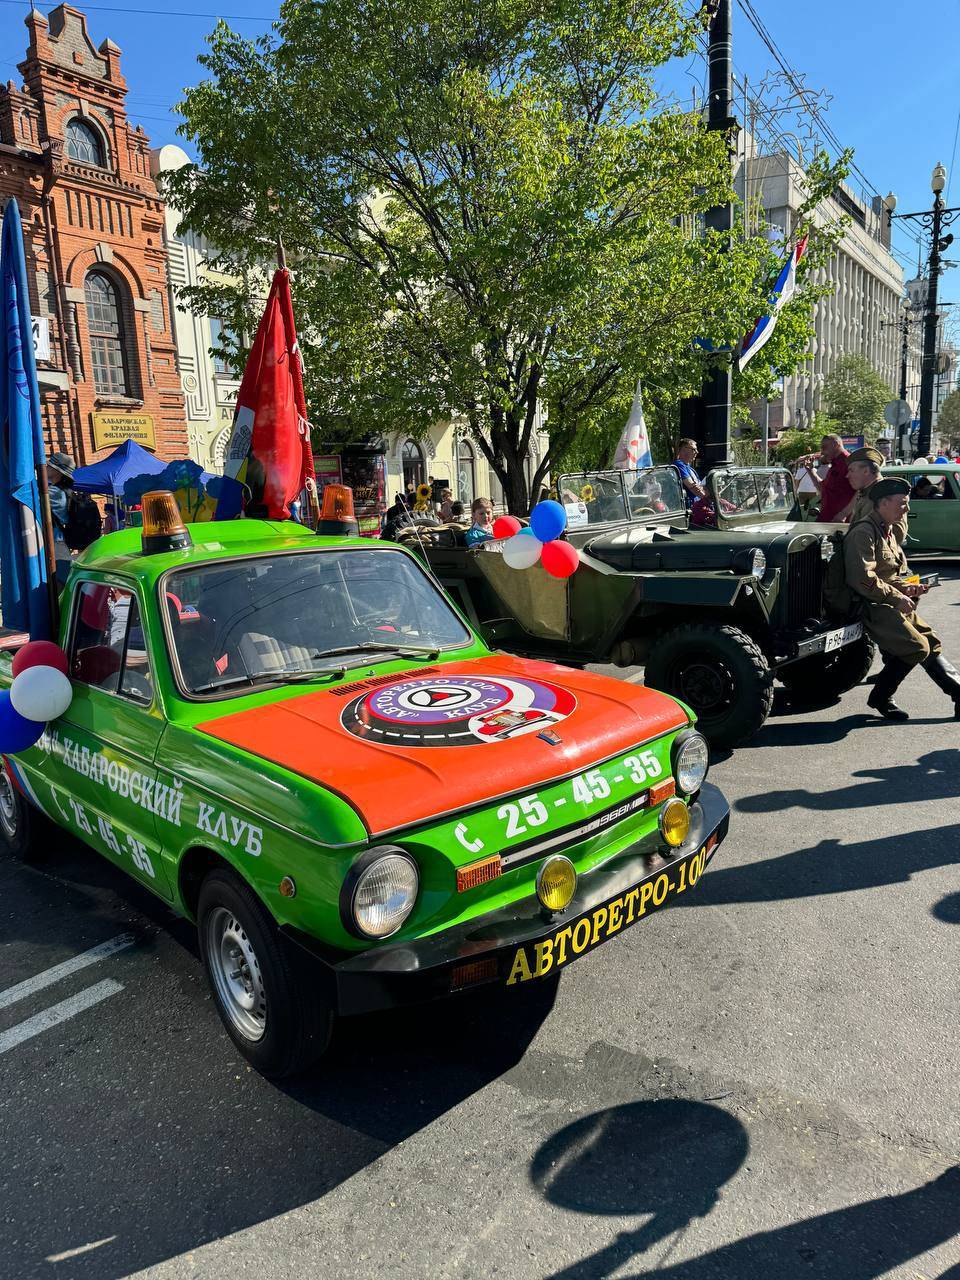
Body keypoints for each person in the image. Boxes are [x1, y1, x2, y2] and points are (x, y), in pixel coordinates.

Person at [844, 477, 960, 720]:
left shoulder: (886, 530)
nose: (907, 509)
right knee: (915, 647)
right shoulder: (864, 532)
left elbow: (889, 573)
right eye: (903, 503)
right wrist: (897, 597)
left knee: (930, 641)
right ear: (883, 503)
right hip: (869, 604)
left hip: (887, 599)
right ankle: (880, 697)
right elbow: (862, 580)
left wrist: (911, 587)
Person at [843, 447, 905, 542]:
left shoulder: (885, 495)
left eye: (851, 470)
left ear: (866, 471)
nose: (847, 475)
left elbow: (897, 535)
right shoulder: (866, 493)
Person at [813, 433, 854, 522]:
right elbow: (822, 488)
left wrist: (843, 514)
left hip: (839, 523)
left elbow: (860, 492)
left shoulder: (849, 463)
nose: (822, 452)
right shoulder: (834, 465)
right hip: (828, 519)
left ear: (835, 445)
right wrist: (810, 470)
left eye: (824, 447)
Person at [672, 438, 706, 507]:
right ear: (683, 449)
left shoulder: (690, 469)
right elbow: (692, 486)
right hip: (690, 509)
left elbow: (700, 487)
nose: (697, 452)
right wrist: (708, 499)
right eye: (694, 449)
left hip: (698, 504)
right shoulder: (679, 464)